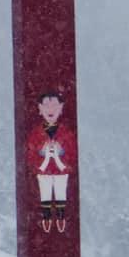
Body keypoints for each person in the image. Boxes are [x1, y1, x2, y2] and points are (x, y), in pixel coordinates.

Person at [29, 91, 76, 233]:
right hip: (43, 171)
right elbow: (32, 156)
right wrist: (43, 154)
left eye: (54, 106)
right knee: (45, 194)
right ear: (40, 109)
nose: (50, 110)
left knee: (61, 193)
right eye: (46, 106)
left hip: (61, 171)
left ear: (61, 108)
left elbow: (71, 155)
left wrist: (59, 153)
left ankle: (61, 217)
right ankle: (46, 218)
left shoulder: (66, 133)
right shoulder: (36, 133)